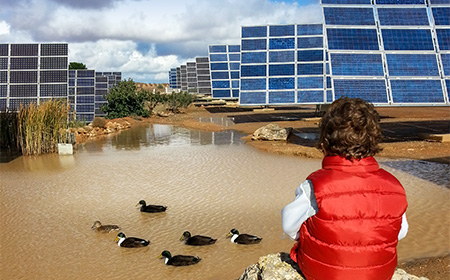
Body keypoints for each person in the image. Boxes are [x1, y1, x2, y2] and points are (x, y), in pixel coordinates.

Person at [281, 97, 408, 280]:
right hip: (379, 274)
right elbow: (401, 231)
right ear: (373, 145)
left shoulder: (315, 186)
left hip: (323, 274)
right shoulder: (394, 186)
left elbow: (289, 225)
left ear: (324, 146)